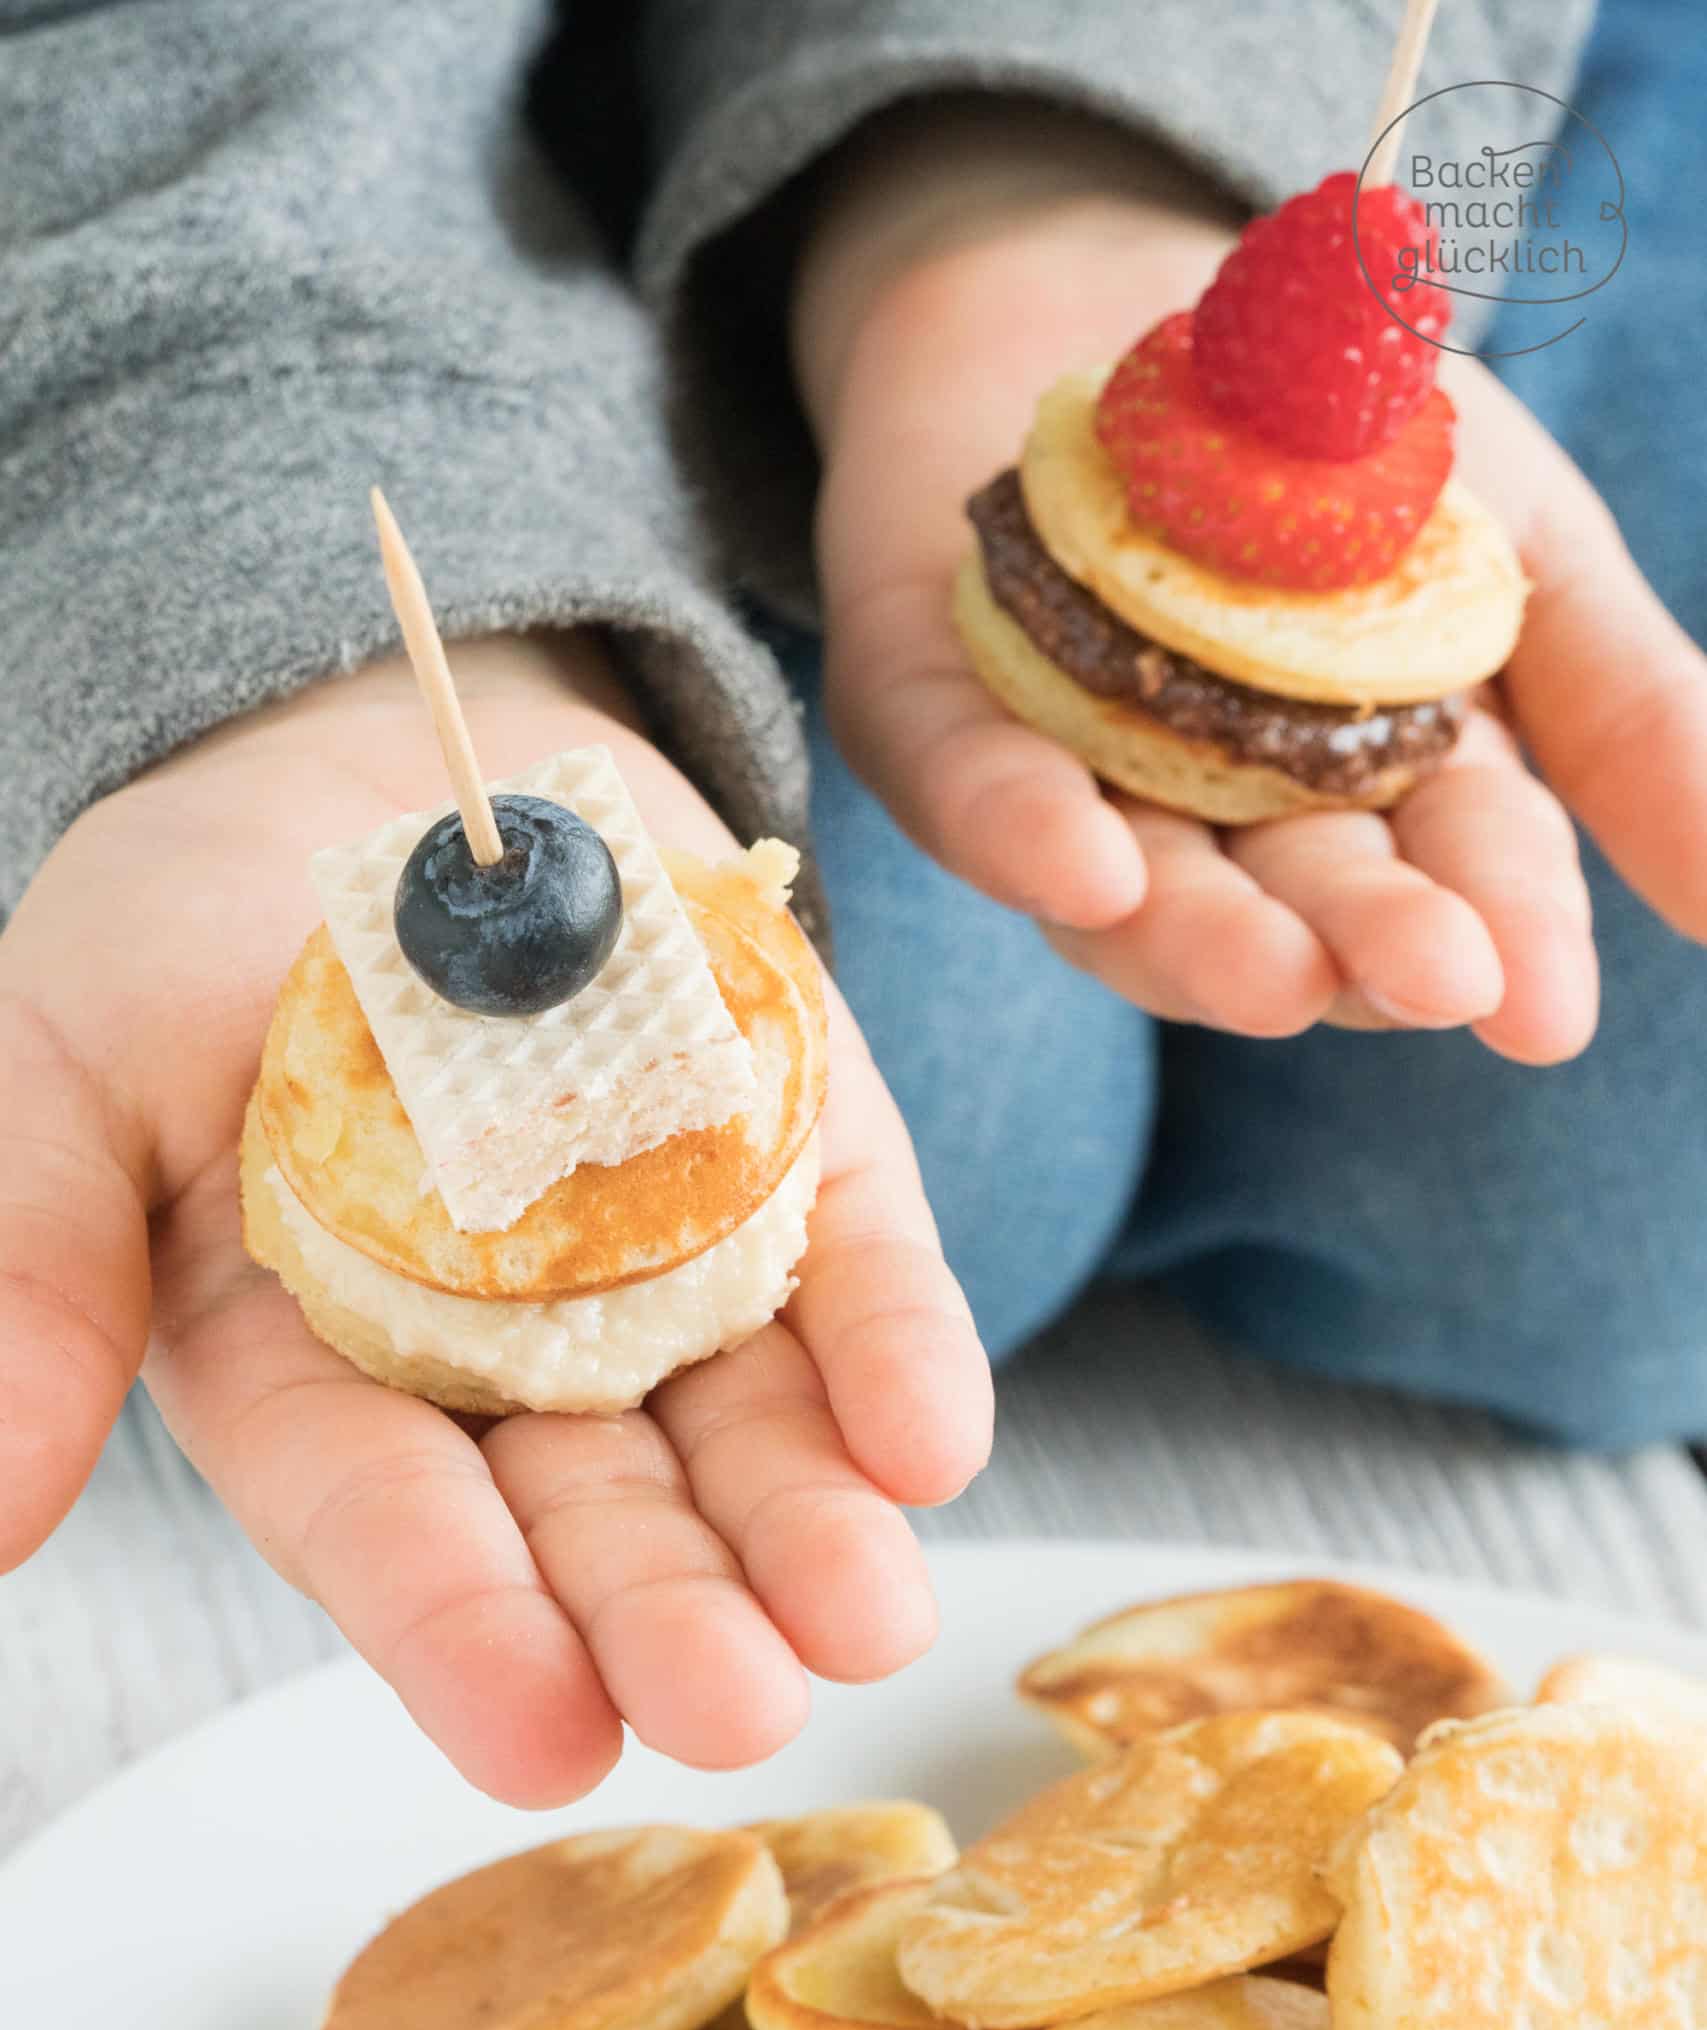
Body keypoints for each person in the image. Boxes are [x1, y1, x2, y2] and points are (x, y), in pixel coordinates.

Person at [2, 1, 1699, 1807]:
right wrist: (223, 566)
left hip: (1227, 103)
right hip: (290, 161)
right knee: (960, 1114)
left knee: (1631, 1221)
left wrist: (1020, 174)